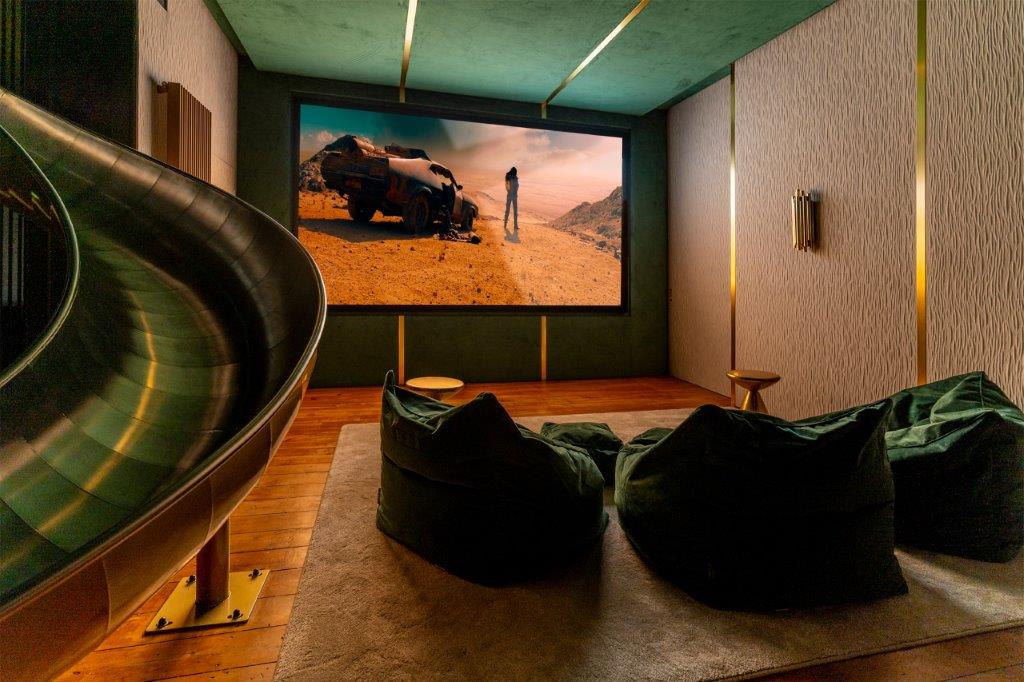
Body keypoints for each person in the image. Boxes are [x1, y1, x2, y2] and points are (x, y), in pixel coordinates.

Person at [503, 166, 519, 235]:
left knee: (507, 210)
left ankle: (505, 224)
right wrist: (513, 192)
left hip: (510, 195)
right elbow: (517, 186)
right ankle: (515, 225)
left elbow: (506, 186)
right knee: (515, 211)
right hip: (514, 195)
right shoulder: (514, 177)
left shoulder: (507, 176)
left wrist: (509, 191)